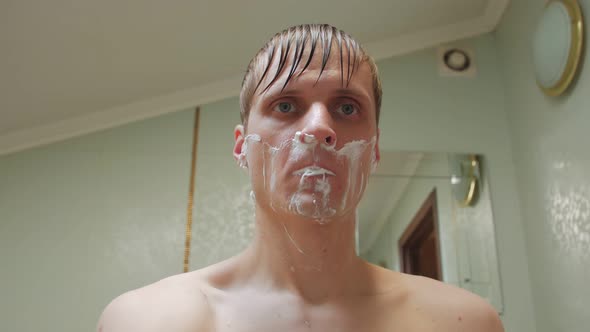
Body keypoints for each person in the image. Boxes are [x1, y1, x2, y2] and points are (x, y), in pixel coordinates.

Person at [97, 24, 504, 332]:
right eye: (286, 105)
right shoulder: (147, 321)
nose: (318, 128)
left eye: (346, 108)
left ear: (375, 150)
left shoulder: (462, 323)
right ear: (242, 147)